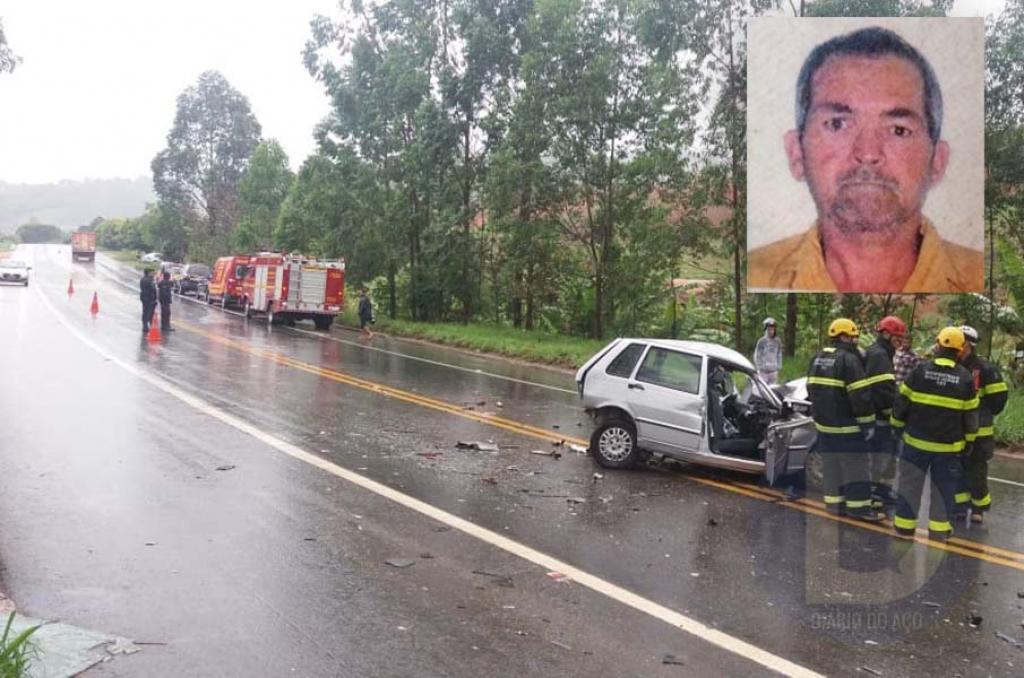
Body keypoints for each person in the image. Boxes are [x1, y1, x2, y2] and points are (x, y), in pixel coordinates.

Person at [747, 26, 983, 293]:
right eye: (837, 124)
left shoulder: (988, 280)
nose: (868, 153)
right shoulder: (754, 274)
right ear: (796, 153)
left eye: (898, 130)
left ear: (937, 161)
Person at [891, 327, 979, 541]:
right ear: (959, 351)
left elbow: (901, 403)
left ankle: (904, 527)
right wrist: (970, 441)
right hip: (948, 450)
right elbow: (970, 416)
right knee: (943, 490)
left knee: (909, 486)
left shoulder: (919, 371)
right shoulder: (965, 379)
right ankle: (939, 531)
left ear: (938, 346)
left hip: (915, 444)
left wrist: (896, 426)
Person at [806, 318, 883, 522]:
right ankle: (859, 508)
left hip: (825, 428)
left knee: (832, 466)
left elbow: (810, 391)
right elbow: (860, 396)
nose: (855, 341)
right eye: (853, 337)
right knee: (856, 467)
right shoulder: (849, 360)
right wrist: (868, 425)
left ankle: (834, 504)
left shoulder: (816, 358)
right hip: (848, 428)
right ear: (843, 336)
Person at [955, 325, 1008, 524]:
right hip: (957, 431)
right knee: (957, 469)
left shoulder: (985, 369)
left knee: (976, 470)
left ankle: (979, 508)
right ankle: (959, 507)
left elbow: (998, 400)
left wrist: (983, 415)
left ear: (967, 344)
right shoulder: (953, 367)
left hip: (980, 433)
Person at [863, 316, 905, 508]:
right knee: (883, 455)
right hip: (880, 417)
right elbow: (881, 390)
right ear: (886, 334)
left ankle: (882, 490)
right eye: (897, 337)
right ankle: (876, 492)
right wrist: (894, 413)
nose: (900, 341)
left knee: (885, 455)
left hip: (878, 415)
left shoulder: (880, 352)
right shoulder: (880, 355)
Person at [753, 317, 783, 385]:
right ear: (765, 330)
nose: (771, 331)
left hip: (773, 371)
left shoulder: (777, 341)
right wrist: (759, 367)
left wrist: (778, 366)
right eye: (769, 329)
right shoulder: (761, 341)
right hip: (763, 371)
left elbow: (779, 354)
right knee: (763, 390)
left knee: (772, 390)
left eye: (772, 329)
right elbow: (757, 355)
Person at [139, 268, 157, 333]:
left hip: (145, 297)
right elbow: (152, 289)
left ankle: (146, 325)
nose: (154, 274)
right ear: (148, 273)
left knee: (147, 312)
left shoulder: (144, 279)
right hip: (148, 298)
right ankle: (146, 326)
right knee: (147, 312)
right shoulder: (148, 280)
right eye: (152, 272)